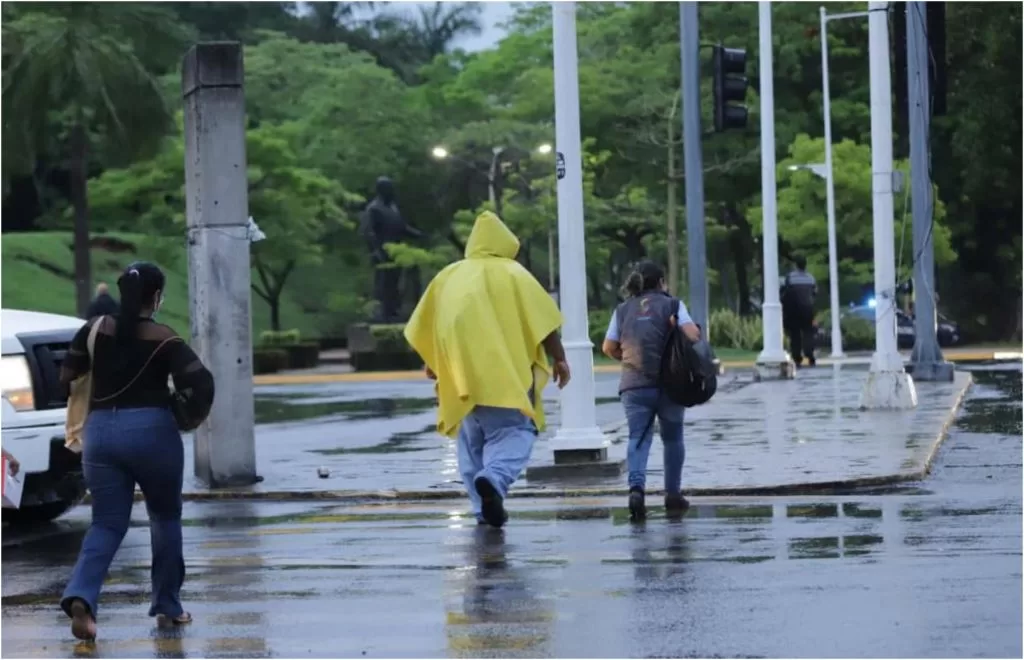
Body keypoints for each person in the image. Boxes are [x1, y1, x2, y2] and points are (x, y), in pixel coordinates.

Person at [58, 262, 215, 641]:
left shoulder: (94, 328)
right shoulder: (164, 338)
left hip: (100, 433)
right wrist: (186, 415)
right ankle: (168, 606)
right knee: (165, 517)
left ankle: (82, 596)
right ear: (156, 297)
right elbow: (201, 382)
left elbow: (67, 374)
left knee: (106, 523)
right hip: (153, 433)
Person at [404, 211, 569, 529]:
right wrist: (560, 359)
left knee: (471, 444)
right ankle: (494, 478)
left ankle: (482, 510)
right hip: (504, 376)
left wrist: (433, 362)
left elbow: (429, 325)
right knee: (514, 432)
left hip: (459, 377)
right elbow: (545, 323)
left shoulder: (448, 276)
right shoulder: (515, 274)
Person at [601, 261, 700, 521]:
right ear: (661, 282)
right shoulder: (673, 305)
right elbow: (692, 335)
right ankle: (673, 495)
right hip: (670, 385)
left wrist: (627, 359)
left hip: (634, 385)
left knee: (638, 437)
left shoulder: (622, 310)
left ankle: (636, 490)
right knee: (673, 438)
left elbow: (608, 347)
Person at [361, 176, 423, 322]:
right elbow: (368, 232)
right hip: (382, 252)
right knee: (383, 283)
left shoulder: (393, 207)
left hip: (397, 252)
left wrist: (417, 234)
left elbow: (401, 226)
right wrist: (375, 250)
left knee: (395, 283)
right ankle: (382, 313)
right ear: (381, 190)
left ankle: (393, 310)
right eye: (389, 188)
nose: (392, 191)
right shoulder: (374, 208)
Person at [781, 254, 818, 368]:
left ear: (795, 265)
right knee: (808, 333)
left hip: (793, 310)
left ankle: (797, 358)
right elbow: (814, 293)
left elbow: (784, 292)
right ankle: (809, 354)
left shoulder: (790, 277)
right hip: (808, 309)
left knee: (795, 334)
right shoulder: (811, 278)